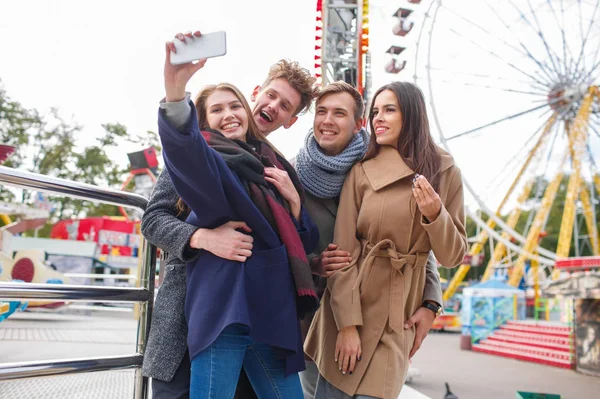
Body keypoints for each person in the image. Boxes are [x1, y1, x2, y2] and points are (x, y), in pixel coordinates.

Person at [141, 32, 318, 399]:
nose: (273, 106)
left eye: (285, 106)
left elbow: (296, 242)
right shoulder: (200, 149)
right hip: (193, 308)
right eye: (271, 95)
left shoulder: (278, 168)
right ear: (256, 92)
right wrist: (201, 238)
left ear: (289, 121)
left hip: (258, 312)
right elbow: (153, 219)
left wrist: (296, 205)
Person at [304, 81, 468, 399]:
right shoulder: (362, 172)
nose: (379, 118)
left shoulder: (446, 172)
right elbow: (344, 253)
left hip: (398, 317)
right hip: (348, 313)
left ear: (413, 115)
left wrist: (436, 215)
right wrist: (348, 326)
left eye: (389, 110)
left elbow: (451, 256)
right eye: (376, 111)